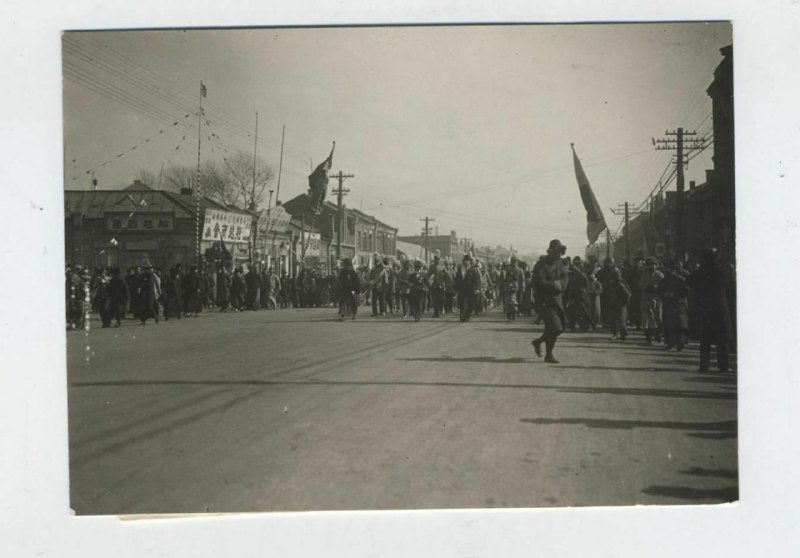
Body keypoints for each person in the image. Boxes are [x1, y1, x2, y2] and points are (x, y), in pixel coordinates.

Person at [686, 248, 733, 374]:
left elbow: (689, 281)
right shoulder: (723, 270)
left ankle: (704, 366)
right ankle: (724, 366)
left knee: (705, 339)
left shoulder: (701, 271)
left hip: (705, 308)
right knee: (722, 339)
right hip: (720, 308)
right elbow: (731, 284)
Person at [531, 239, 569, 363]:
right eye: (557, 251)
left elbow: (565, 277)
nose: (559, 254)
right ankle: (548, 352)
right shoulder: (541, 265)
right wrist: (555, 285)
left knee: (560, 326)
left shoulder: (559, 263)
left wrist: (561, 285)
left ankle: (540, 345)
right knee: (555, 327)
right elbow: (539, 283)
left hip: (557, 300)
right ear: (551, 251)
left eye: (561, 252)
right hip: (544, 301)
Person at [658, 259, 690, 350]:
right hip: (668, 304)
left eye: (666, 268)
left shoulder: (680, 279)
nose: (664, 270)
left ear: (670, 269)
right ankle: (670, 342)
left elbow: (686, 290)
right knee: (669, 324)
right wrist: (663, 295)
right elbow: (659, 291)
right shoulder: (664, 280)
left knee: (679, 324)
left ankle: (680, 342)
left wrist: (674, 295)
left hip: (678, 304)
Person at [638, 258, 664, 345]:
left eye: (654, 264)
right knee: (647, 319)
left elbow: (663, 285)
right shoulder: (644, 274)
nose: (652, 266)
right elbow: (640, 285)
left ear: (656, 265)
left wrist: (656, 287)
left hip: (657, 299)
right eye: (650, 264)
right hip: (646, 298)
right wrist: (647, 287)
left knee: (658, 318)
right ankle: (648, 337)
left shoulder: (660, 275)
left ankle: (658, 334)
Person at [454, 254, 481, 322]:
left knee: (470, 303)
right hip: (462, 289)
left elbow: (476, 280)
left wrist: (477, 288)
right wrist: (456, 288)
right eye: (465, 261)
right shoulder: (460, 269)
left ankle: (468, 316)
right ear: (463, 261)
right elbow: (457, 279)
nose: (466, 262)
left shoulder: (473, 269)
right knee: (461, 302)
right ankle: (462, 316)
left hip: (470, 289)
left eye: (468, 261)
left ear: (470, 262)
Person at [607, 268, 631, 341]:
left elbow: (627, 295)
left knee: (621, 321)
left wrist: (624, 303)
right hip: (614, 304)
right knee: (613, 320)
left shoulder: (620, 284)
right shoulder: (613, 284)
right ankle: (615, 334)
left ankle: (623, 334)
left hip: (621, 305)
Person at [503, 256, 525, 321]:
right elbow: (506, 278)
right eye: (512, 261)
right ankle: (511, 314)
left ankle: (518, 311)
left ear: (517, 262)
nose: (514, 262)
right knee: (511, 301)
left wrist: (523, 287)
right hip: (511, 287)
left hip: (519, 286)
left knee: (519, 300)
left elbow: (523, 279)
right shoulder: (509, 269)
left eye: (515, 261)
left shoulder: (520, 269)